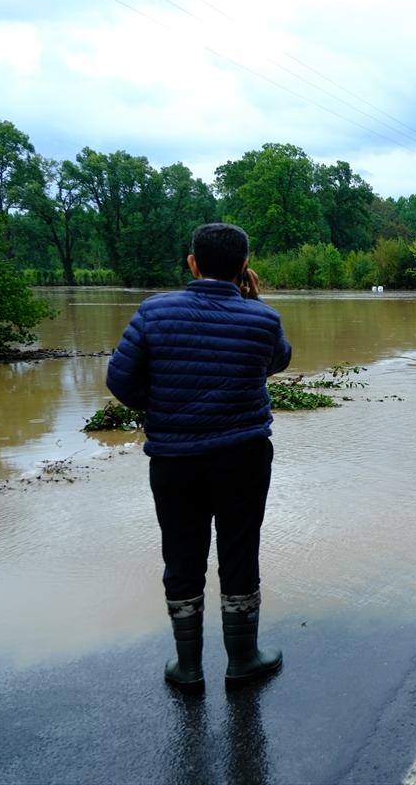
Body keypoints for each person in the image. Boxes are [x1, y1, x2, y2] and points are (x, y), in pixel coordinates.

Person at [107, 223, 292, 694]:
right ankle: (243, 659)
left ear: (192, 263)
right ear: (245, 268)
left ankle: (188, 666)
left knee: (182, 553)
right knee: (239, 550)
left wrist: (165, 406)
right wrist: (253, 304)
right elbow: (276, 361)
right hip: (244, 457)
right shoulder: (261, 319)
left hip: (174, 459)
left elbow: (121, 381)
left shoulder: (153, 312)